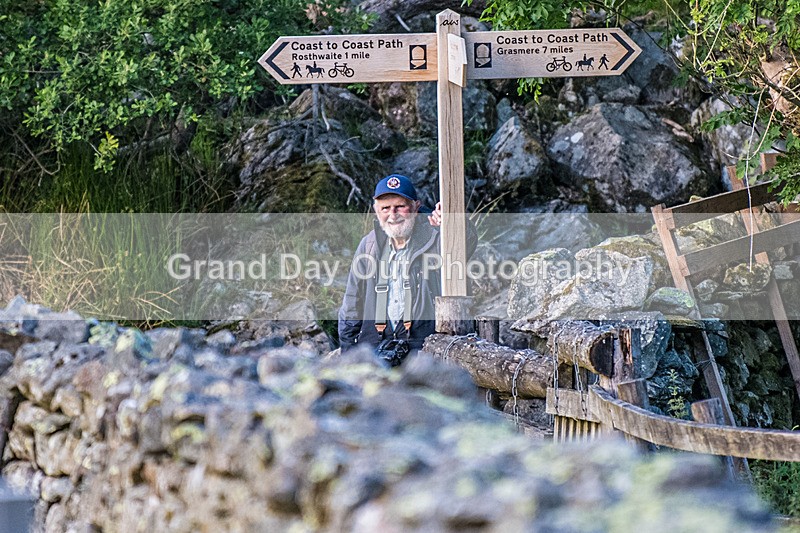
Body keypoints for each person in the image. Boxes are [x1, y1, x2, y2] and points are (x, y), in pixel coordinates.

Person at [338, 174, 477, 358]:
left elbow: (465, 244)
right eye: (385, 208)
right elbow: (351, 302)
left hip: (424, 350)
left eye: (400, 207)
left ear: (415, 207)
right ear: (376, 210)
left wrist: (453, 223)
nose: (392, 215)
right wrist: (348, 353)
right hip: (376, 350)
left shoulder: (435, 238)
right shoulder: (369, 245)